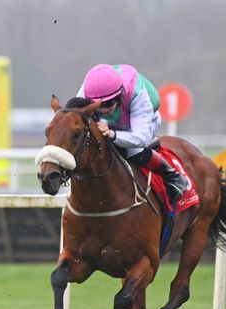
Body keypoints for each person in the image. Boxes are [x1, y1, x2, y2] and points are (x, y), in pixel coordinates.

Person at [77, 63, 188, 209]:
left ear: (119, 95)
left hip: (141, 121)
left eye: (109, 103)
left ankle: (173, 176)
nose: (104, 110)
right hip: (111, 122)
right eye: (98, 105)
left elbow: (141, 138)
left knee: (132, 150)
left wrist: (113, 135)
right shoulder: (85, 92)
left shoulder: (137, 94)